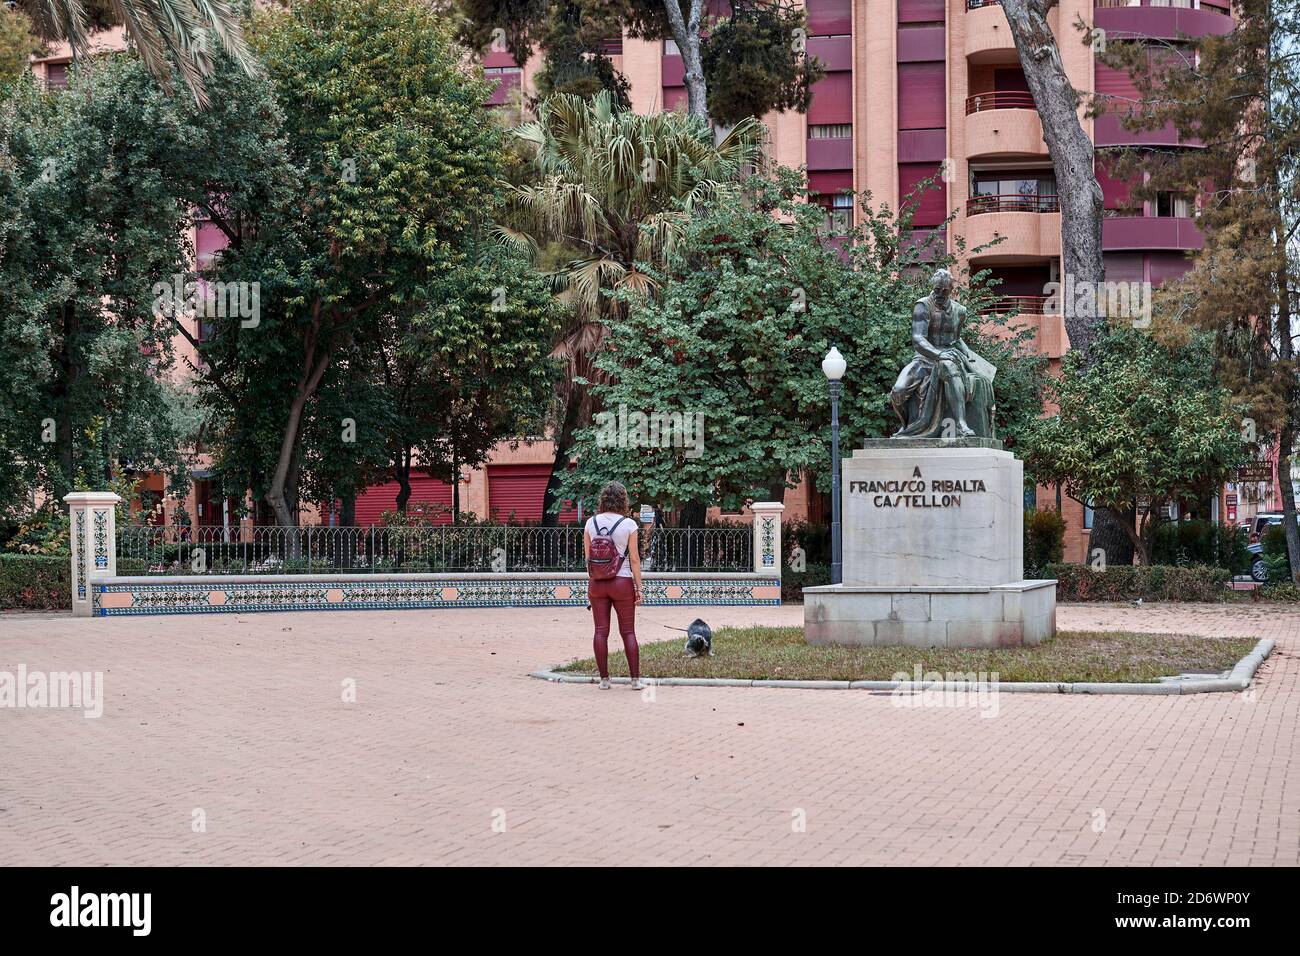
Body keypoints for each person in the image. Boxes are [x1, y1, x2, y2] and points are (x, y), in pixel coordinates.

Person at [584, 481, 643, 690]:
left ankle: (604, 680)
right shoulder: (629, 525)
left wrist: (591, 585)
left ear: (603, 500)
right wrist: (639, 588)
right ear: (623, 501)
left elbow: (588, 559)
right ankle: (635, 680)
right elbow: (634, 559)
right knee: (628, 632)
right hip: (623, 581)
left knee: (600, 631)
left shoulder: (591, 523)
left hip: (598, 584)